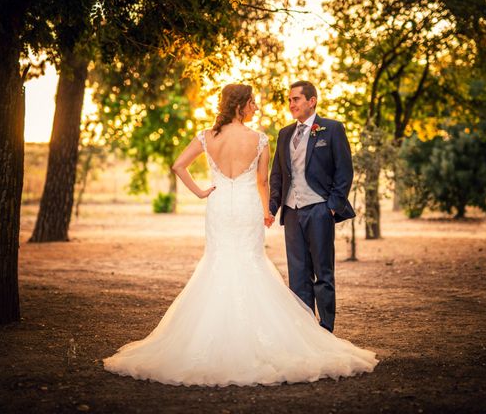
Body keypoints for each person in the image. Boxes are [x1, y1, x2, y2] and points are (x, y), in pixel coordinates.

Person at [103, 83, 378, 386]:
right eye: (252, 103)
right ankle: (296, 335)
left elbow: (178, 165)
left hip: (220, 205)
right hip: (247, 207)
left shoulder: (207, 137)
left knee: (218, 262)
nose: (256, 108)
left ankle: (229, 337)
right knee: (253, 263)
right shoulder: (259, 139)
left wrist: (200, 192)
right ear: (240, 105)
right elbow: (263, 182)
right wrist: (266, 211)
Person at [268, 80, 355, 333]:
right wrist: (273, 208)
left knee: (323, 273)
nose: (291, 104)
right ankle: (305, 329)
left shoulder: (332, 129)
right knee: (298, 274)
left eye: (295, 99)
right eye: (289, 100)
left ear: (311, 101)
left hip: (319, 209)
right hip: (292, 212)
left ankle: (326, 328)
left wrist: (332, 206)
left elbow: (344, 171)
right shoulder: (285, 133)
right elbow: (278, 175)